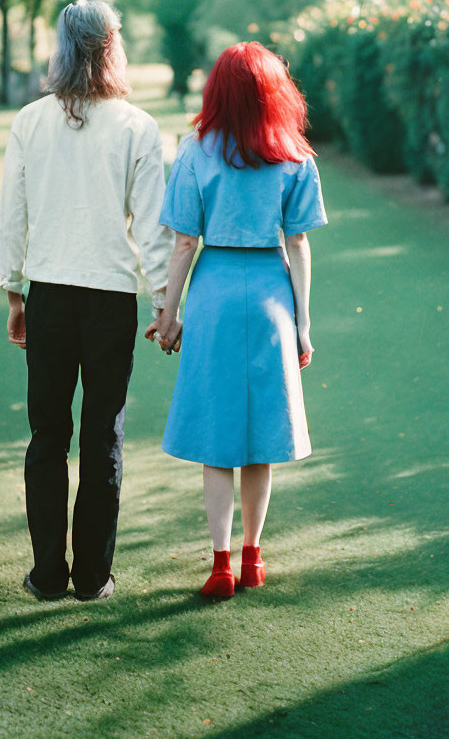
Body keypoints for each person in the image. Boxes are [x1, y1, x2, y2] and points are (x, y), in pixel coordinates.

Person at [0, 0, 174, 602]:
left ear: (61, 47)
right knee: (102, 435)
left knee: (48, 435)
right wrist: (163, 304)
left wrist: (13, 291)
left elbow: (11, 216)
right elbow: (154, 228)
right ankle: (93, 576)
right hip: (109, 300)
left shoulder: (30, 121)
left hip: (49, 292)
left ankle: (48, 574)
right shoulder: (137, 126)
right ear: (112, 46)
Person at [145, 41, 327, 598]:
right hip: (271, 296)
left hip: (215, 293)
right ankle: (254, 558)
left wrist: (168, 315)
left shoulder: (195, 149)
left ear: (216, 89)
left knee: (217, 437)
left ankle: (221, 563)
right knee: (260, 438)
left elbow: (182, 243)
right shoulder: (293, 153)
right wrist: (302, 323)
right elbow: (297, 243)